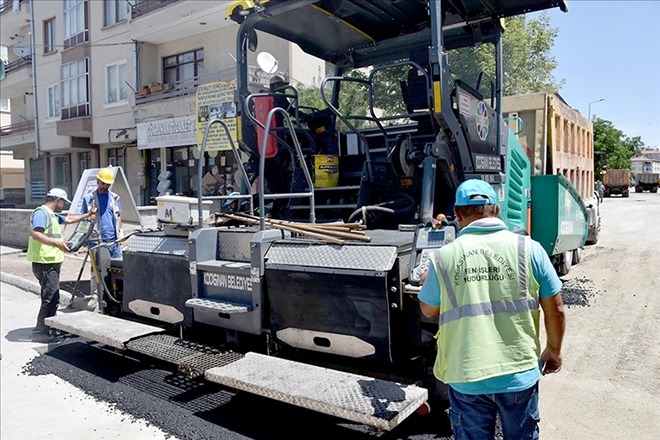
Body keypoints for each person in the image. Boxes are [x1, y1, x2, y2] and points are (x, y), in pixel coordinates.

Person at [418, 179, 565, 440]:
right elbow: (556, 309)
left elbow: (428, 310)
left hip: (467, 375)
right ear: (496, 210)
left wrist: (431, 279)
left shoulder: (442, 258)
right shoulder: (530, 249)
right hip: (518, 373)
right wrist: (553, 350)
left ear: (458, 213)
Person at [27, 188, 95, 343]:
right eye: (63, 202)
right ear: (57, 200)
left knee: (54, 296)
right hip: (44, 262)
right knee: (50, 297)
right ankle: (40, 332)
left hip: (50, 262)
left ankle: (49, 326)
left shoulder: (51, 215)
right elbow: (36, 234)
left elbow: (68, 219)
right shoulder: (41, 213)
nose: (64, 205)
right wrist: (58, 244)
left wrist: (87, 215)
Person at [81, 167, 123, 259]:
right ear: (98, 181)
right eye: (103, 183)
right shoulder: (89, 199)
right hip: (95, 241)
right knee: (98, 269)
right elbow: (83, 218)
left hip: (113, 241)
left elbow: (118, 215)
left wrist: (120, 232)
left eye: (107, 184)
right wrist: (83, 236)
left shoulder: (114, 198)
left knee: (116, 267)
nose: (105, 186)